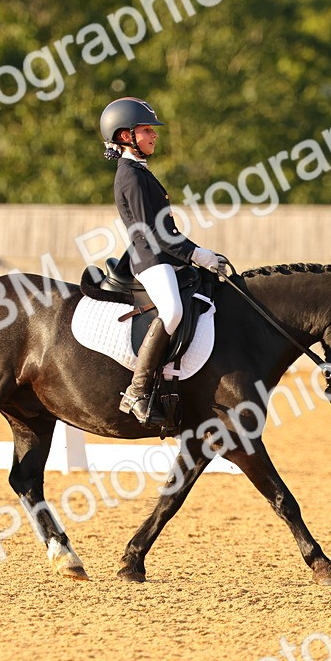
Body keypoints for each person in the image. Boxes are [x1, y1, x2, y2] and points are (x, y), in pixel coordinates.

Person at [99, 96, 223, 426]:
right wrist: (198, 254)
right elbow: (155, 230)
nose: (154, 135)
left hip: (165, 256)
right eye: (147, 130)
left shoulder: (141, 172)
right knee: (172, 310)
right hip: (150, 259)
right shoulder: (131, 175)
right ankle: (137, 391)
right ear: (126, 136)